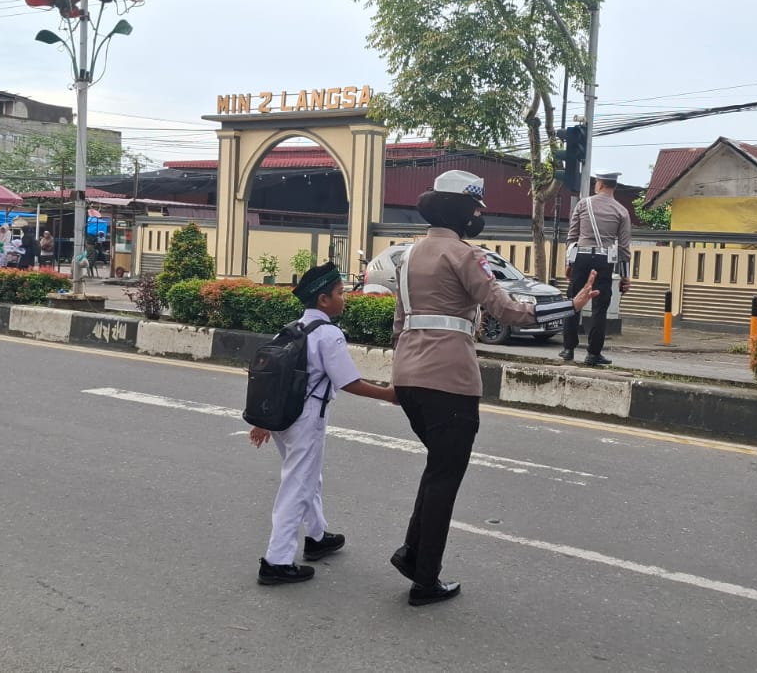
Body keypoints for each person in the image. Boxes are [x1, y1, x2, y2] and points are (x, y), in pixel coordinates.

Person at [390, 170, 600, 606]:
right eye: (475, 207)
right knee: (446, 476)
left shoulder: (407, 255)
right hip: (450, 381)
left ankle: (413, 555)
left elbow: (399, 322)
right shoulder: (467, 255)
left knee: (436, 469)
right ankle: (424, 580)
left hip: (408, 375)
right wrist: (570, 305)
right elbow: (506, 309)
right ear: (458, 210)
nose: (481, 214)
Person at [249, 262, 397, 585]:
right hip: (305, 420)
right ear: (323, 301)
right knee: (298, 485)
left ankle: (316, 536)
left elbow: (267, 379)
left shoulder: (289, 329)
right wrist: (388, 395)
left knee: (307, 477)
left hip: (281, 420)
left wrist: (262, 422)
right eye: (340, 293)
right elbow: (348, 382)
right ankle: (276, 561)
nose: (345, 298)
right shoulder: (329, 335)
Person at [561, 171, 632, 366]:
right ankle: (593, 353)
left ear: (599, 184)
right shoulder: (621, 211)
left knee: (573, 301)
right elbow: (624, 248)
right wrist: (625, 277)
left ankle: (568, 348)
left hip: (581, 257)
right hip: (604, 259)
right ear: (614, 186)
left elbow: (571, 236)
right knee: (600, 307)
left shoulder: (583, 204)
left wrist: (569, 263)